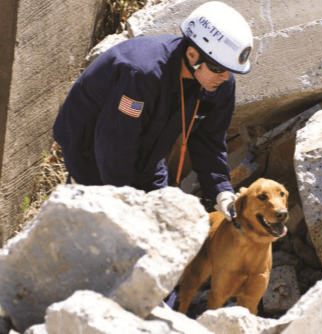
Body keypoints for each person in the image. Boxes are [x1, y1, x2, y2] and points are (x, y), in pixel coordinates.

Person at [53, 1, 253, 221]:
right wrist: (124, 203)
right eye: (219, 69)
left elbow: (209, 141)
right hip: (90, 153)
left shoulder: (219, 84)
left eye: (230, 71)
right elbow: (115, 143)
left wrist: (221, 191)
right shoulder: (142, 74)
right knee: (97, 232)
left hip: (146, 153)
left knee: (159, 223)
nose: (224, 77)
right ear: (193, 55)